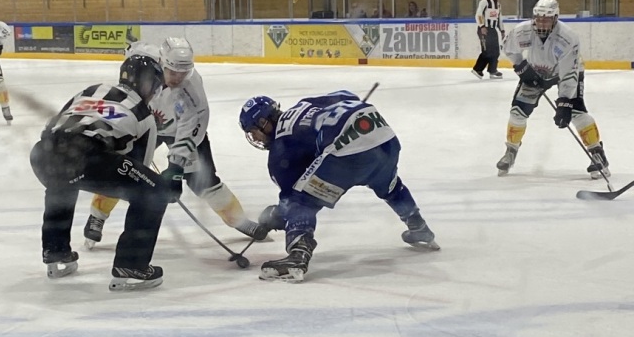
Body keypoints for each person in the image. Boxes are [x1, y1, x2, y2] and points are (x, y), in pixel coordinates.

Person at [238, 91, 439, 283]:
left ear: (264, 122)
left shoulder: (279, 151)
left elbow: (293, 200)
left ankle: (297, 256)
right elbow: (347, 95)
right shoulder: (304, 104)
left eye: (253, 131)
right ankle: (419, 228)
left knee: (301, 200)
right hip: (383, 134)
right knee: (391, 186)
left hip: (350, 151)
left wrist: (275, 215)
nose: (255, 138)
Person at [84, 37, 265, 247]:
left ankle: (239, 220)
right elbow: (131, 52)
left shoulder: (193, 90)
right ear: (161, 63)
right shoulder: (144, 61)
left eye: (183, 72)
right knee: (124, 168)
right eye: (173, 71)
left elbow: (192, 130)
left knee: (204, 181)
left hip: (182, 131)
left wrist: (176, 169)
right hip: (144, 124)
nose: (178, 78)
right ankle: (97, 215)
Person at [30, 54, 177, 291]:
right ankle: (132, 265)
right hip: (85, 159)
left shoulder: (92, 89)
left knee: (62, 183)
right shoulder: (144, 115)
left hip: (42, 155)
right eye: (155, 85)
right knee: (155, 191)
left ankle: (56, 252)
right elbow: (138, 169)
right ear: (147, 82)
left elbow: (54, 124)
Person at [495, 0, 610, 179]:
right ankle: (511, 151)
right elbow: (508, 49)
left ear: (555, 18)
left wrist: (564, 102)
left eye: (546, 18)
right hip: (535, 73)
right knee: (517, 112)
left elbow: (569, 74)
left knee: (576, 112)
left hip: (567, 73)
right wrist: (522, 68)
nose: (541, 22)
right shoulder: (522, 31)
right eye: (538, 18)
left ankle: (597, 153)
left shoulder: (568, 37)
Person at [471, 0, 504, 80]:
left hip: (493, 30)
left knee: (496, 51)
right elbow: (478, 14)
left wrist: (502, 30)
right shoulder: (484, 2)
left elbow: (499, 18)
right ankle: (477, 69)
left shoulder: (498, 4)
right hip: (484, 29)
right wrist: (482, 26)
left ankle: (493, 70)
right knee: (487, 51)